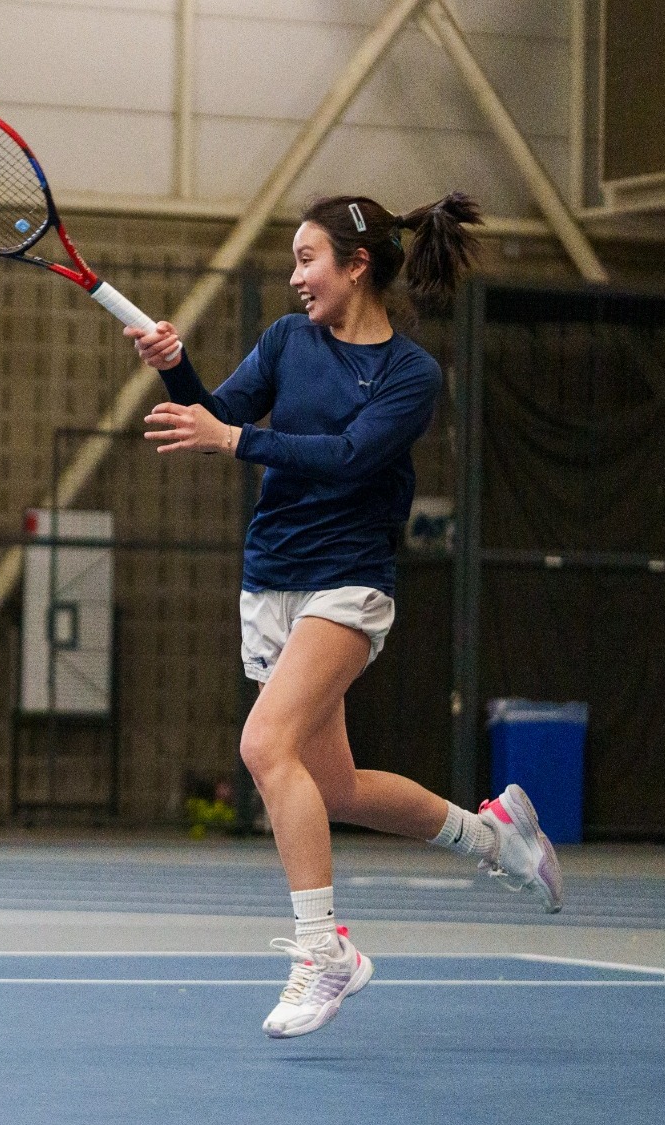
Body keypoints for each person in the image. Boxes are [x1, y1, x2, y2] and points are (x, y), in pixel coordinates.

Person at [125, 193, 563, 1039]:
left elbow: (351, 456)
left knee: (263, 746)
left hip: (347, 583)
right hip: (271, 581)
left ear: (356, 265)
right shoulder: (288, 342)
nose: (295, 278)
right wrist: (174, 365)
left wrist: (234, 441)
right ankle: (496, 839)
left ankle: (323, 951)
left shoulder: (410, 375)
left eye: (307, 259)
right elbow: (221, 412)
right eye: (293, 262)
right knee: (332, 786)